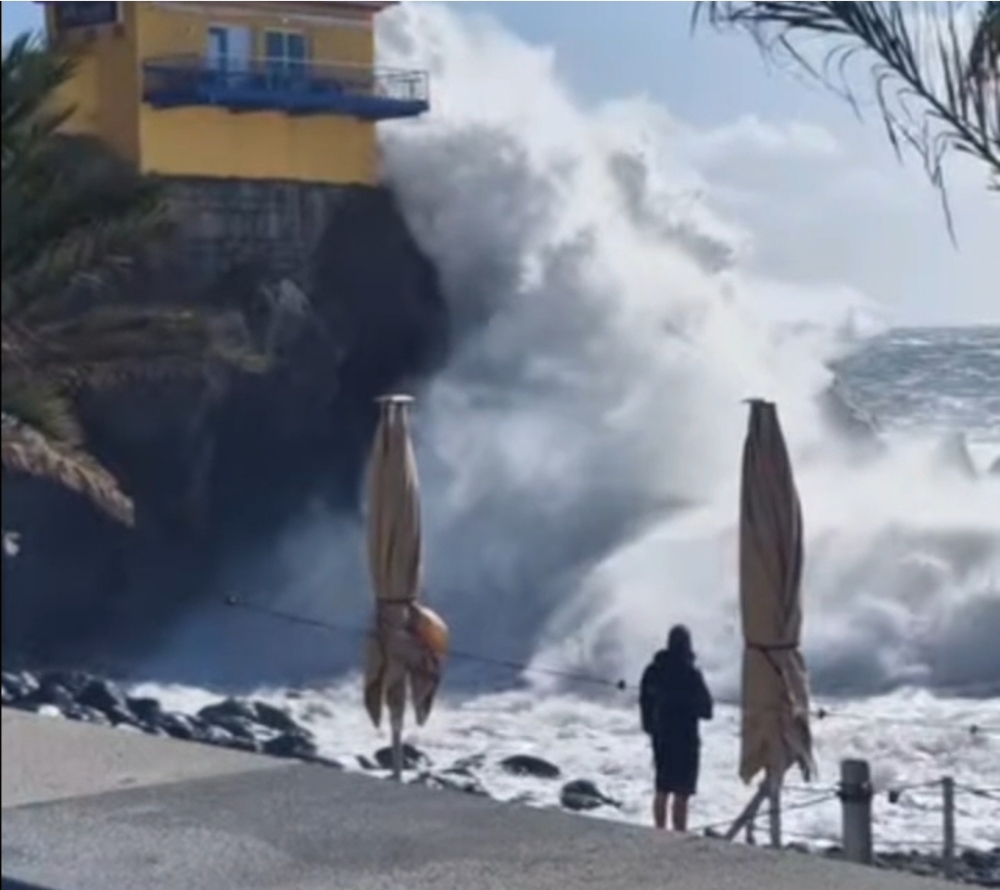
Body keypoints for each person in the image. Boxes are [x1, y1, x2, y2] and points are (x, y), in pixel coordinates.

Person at [639, 624, 713, 831]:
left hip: (661, 738)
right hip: (686, 740)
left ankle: (659, 830)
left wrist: (651, 728)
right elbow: (707, 711)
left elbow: (644, 704)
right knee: (682, 794)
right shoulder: (690, 674)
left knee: (662, 789)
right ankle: (678, 834)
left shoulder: (653, 670)